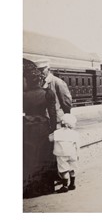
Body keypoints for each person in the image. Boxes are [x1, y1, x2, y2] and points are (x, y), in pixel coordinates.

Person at [23, 58, 58, 198]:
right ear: (39, 80)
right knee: (43, 156)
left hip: (26, 127)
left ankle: (29, 189)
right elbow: (53, 114)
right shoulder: (48, 93)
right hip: (43, 127)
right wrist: (53, 130)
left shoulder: (23, 95)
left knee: (29, 156)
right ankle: (46, 187)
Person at [34, 59, 72, 127]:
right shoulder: (38, 82)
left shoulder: (58, 82)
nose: (39, 72)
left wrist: (66, 118)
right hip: (43, 120)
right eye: (38, 70)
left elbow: (66, 102)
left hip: (56, 120)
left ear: (48, 69)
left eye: (42, 70)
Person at [49, 114, 80, 193]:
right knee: (72, 168)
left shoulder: (57, 132)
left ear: (61, 123)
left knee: (63, 170)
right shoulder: (75, 133)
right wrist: (78, 155)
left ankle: (65, 186)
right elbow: (77, 145)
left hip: (61, 155)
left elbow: (50, 139)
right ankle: (72, 184)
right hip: (72, 154)